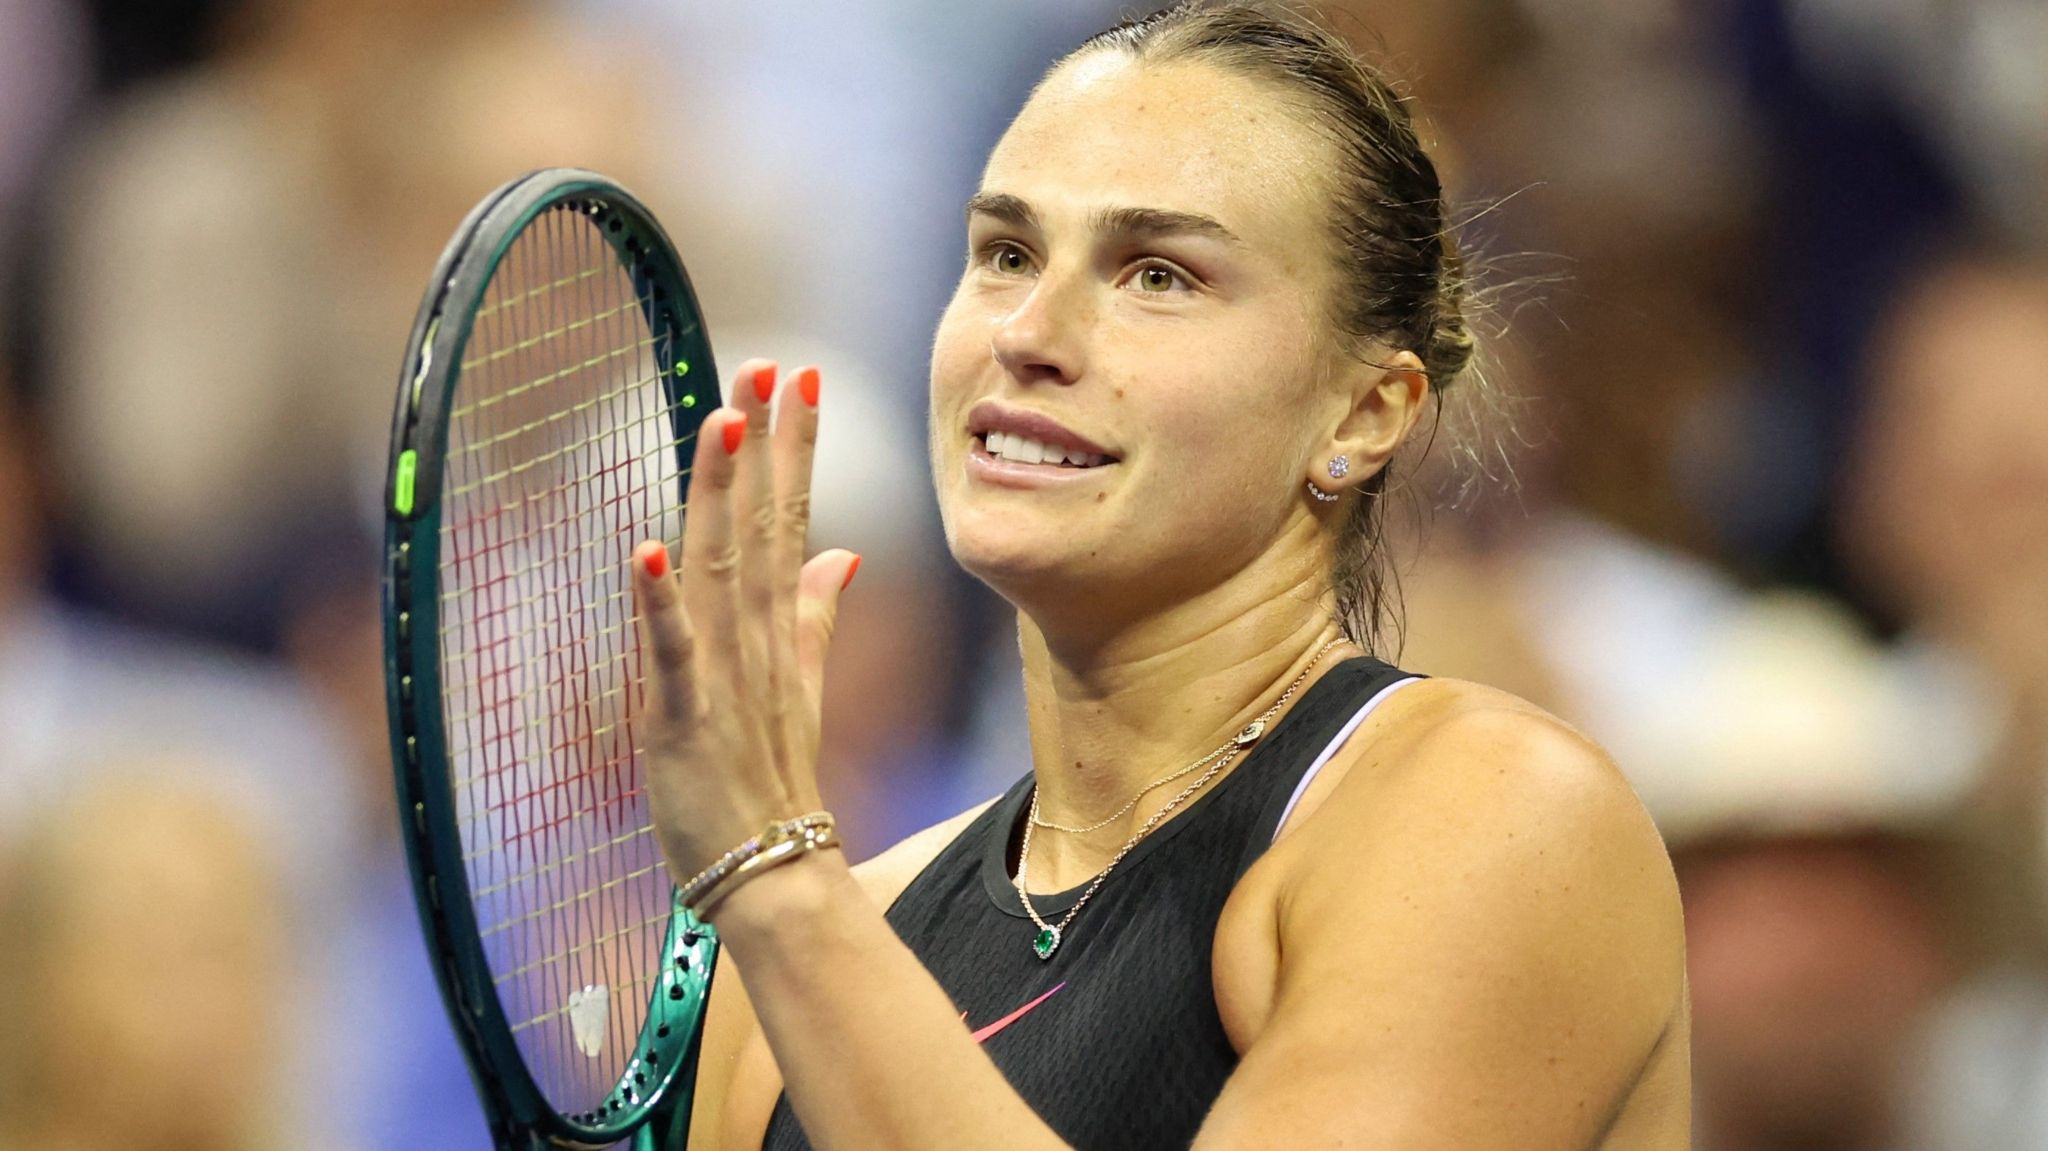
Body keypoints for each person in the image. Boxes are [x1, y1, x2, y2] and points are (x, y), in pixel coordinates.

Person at [634, 5, 1690, 1148]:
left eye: (1157, 274)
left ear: (1363, 409)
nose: (1029, 331)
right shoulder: (838, 929)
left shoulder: (1503, 818)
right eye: (1004, 252)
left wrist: (782, 892)